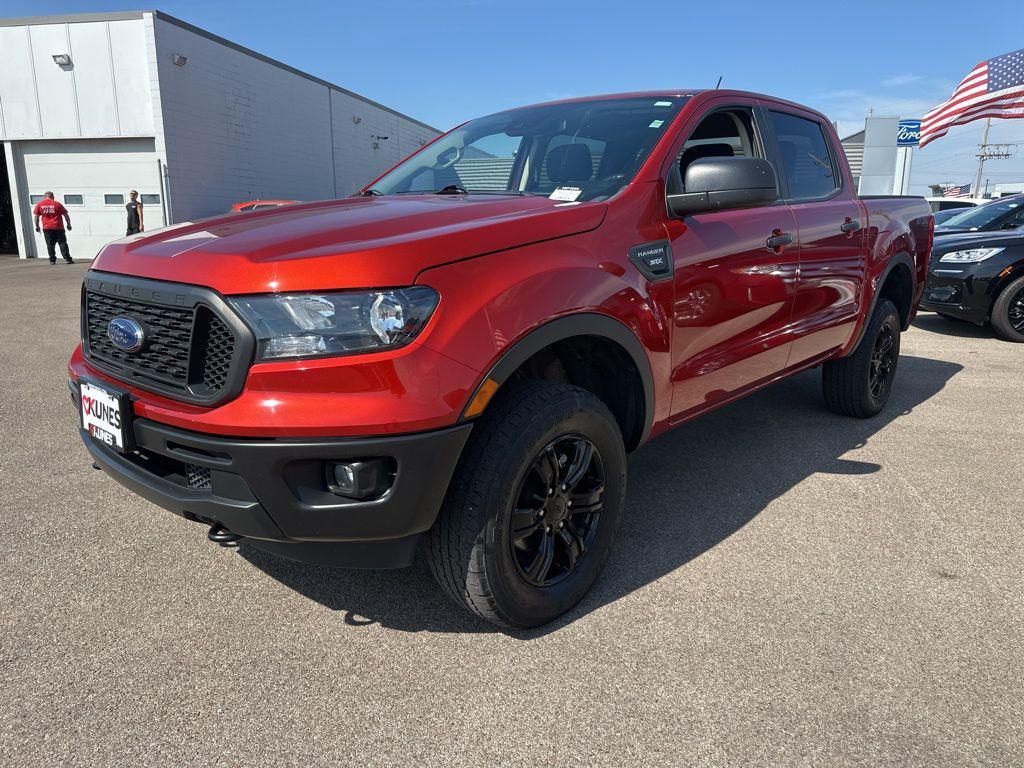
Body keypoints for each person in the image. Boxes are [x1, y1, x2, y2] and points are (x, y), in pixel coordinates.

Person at [32, 191, 74, 264]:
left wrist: (37, 226)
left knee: (50, 244)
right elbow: (66, 215)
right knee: (62, 243)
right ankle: (67, 259)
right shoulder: (57, 204)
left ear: (45, 197)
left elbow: (36, 217)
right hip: (58, 227)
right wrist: (68, 224)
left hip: (47, 228)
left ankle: (52, 260)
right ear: (52, 196)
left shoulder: (39, 205)